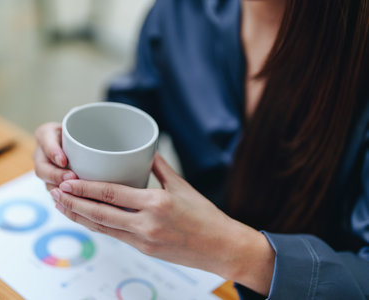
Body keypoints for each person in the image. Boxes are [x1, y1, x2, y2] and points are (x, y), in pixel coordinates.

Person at [33, 0, 369, 298]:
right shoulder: (180, 13)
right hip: (189, 275)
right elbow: (135, 108)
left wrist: (231, 250)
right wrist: (73, 152)